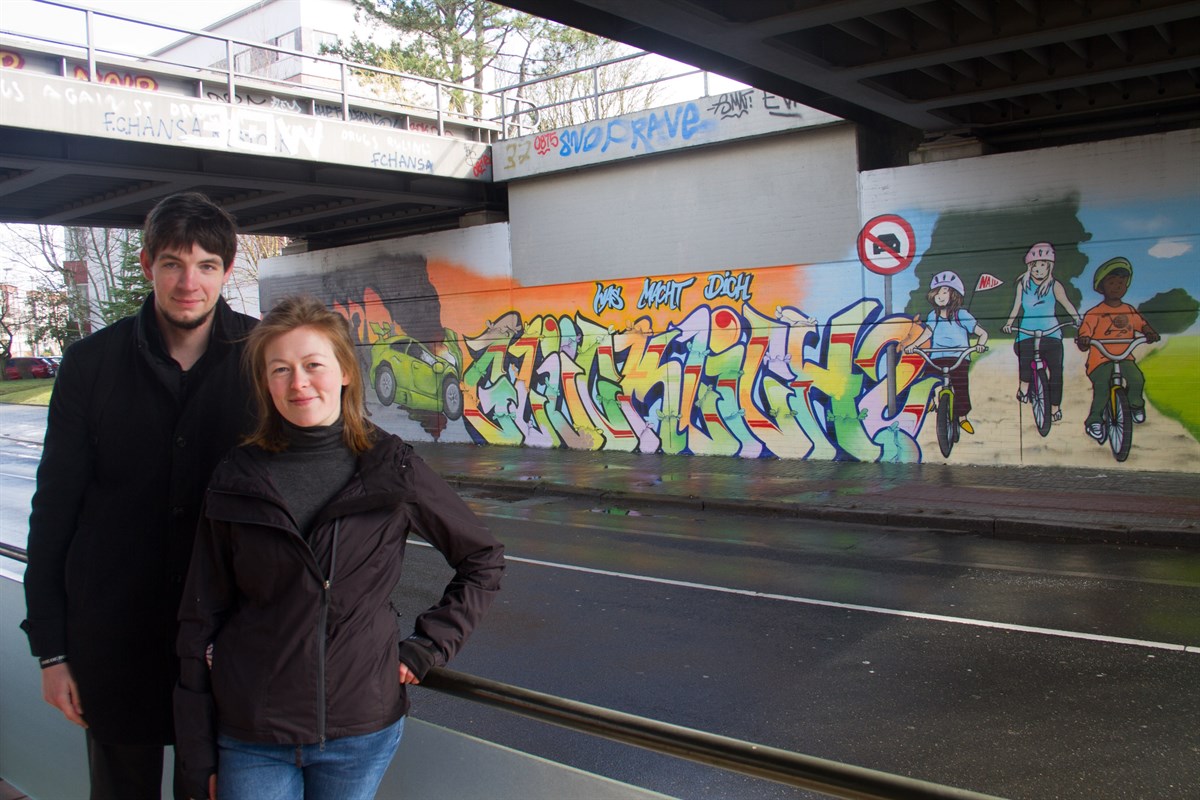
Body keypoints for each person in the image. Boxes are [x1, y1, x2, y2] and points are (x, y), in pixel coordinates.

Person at [174, 295, 505, 800]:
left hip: (360, 728)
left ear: (346, 371)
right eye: (280, 369)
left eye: (313, 365)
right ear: (265, 383)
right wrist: (196, 756)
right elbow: (200, 615)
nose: (299, 382)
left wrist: (428, 647)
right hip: (252, 730)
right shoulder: (236, 477)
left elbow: (482, 559)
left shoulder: (390, 467)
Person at [22, 192, 258, 799]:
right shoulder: (89, 365)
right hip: (112, 644)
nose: (189, 282)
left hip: (225, 646)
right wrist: (51, 653)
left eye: (207, 265)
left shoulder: (263, 358)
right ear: (149, 264)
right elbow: (53, 514)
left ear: (226, 272)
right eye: (174, 263)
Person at [1075, 257, 1160, 441]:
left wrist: (1149, 332)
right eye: (1111, 282)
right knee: (1102, 388)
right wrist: (1084, 340)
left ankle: (1135, 405)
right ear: (1101, 286)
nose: (1117, 286)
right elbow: (1084, 333)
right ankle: (1095, 421)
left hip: (1124, 357)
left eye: (1121, 283)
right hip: (1101, 361)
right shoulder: (1094, 313)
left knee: (1137, 378)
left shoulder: (1129, 310)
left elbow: (1142, 324)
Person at [1002, 242, 1082, 424]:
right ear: (1030, 266)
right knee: (1025, 355)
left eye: (1043, 265)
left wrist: (1078, 319)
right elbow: (1016, 306)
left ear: (1049, 267)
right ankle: (1024, 385)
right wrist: (1008, 324)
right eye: (1035, 265)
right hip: (1027, 332)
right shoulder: (1023, 284)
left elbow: (1067, 304)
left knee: (1056, 371)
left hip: (1051, 333)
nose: (1038, 269)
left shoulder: (1055, 286)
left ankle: (1054, 407)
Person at [904, 270, 988, 435]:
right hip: (937, 357)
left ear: (954, 295)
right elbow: (927, 333)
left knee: (961, 385)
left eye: (945, 292)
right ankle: (930, 402)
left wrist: (980, 345)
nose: (940, 296)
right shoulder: (933, 316)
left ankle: (962, 417)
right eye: (937, 293)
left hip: (959, 357)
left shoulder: (961, 315)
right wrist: (913, 346)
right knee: (926, 379)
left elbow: (982, 333)